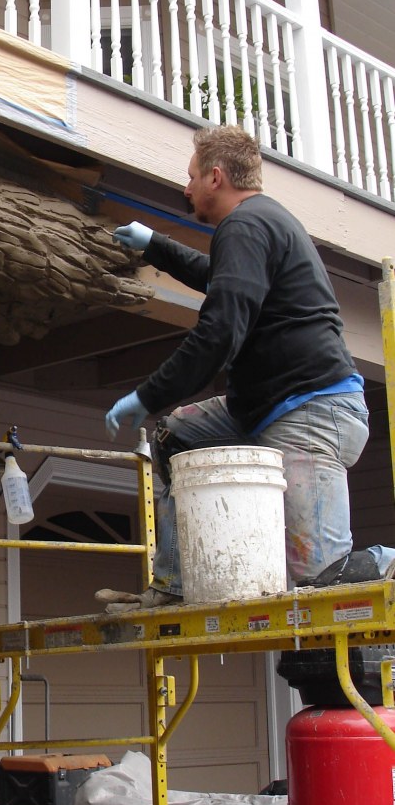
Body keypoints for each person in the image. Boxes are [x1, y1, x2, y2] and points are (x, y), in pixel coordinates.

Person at [97, 124, 394, 614]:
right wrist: (155, 245)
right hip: (268, 405)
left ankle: (384, 563)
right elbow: (221, 277)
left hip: (312, 411)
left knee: (320, 583)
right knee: (176, 437)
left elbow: (219, 334)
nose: (185, 187)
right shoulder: (259, 224)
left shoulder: (248, 226)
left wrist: (146, 396)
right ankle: (170, 586)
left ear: (216, 177)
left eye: (191, 177)